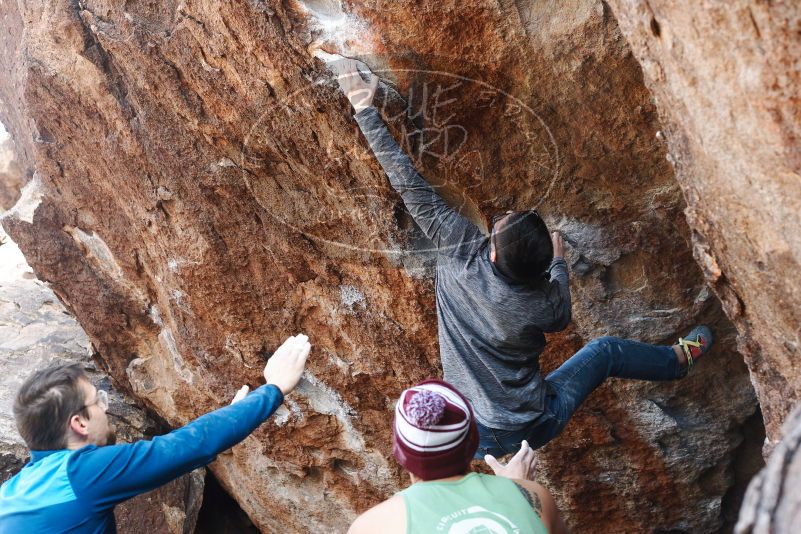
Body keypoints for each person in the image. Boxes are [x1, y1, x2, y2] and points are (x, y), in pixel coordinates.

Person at [335, 60, 714, 457]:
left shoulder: (461, 248)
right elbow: (562, 313)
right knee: (606, 352)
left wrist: (364, 107)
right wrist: (560, 263)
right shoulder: (543, 303)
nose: (497, 219)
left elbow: (406, 181)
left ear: (494, 250)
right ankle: (675, 362)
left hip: (472, 436)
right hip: (533, 423)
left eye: (498, 224)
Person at [0, 334, 311, 533]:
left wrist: (231, 418)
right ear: (79, 423)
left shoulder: (14, 492)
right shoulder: (82, 474)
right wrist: (273, 389)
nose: (106, 409)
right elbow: (190, 445)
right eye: (99, 402)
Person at [348, 379, 568, 534]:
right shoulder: (535, 497)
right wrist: (513, 491)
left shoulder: (372, 526)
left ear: (399, 451)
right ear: (473, 441)